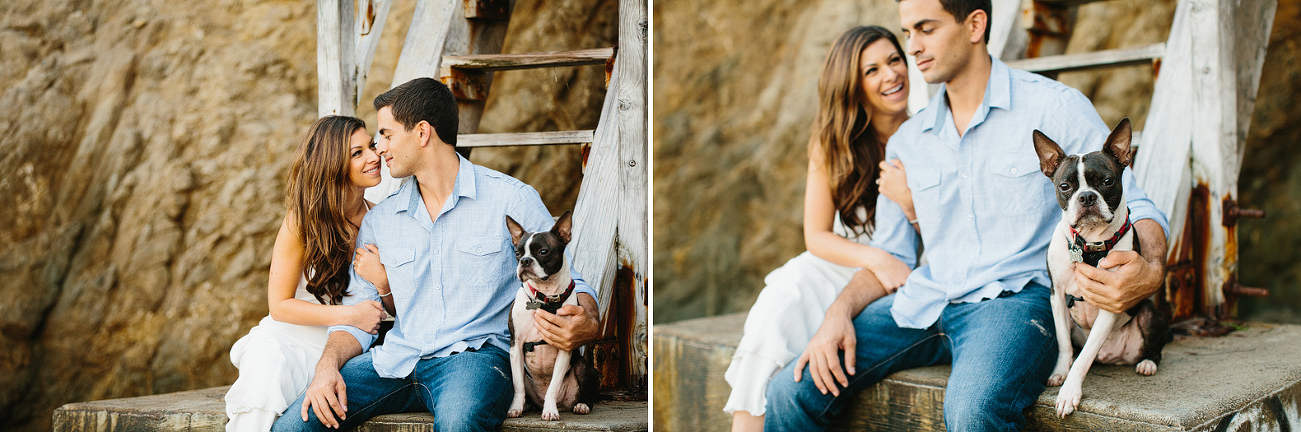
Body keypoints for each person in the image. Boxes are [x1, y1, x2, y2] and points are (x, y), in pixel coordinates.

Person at [763, 0, 1171, 430]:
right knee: (788, 392)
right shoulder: (908, 140)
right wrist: (838, 312)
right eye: (907, 34)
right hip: (925, 300)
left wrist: (1151, 268)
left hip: (1014, 304)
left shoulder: (1055, 107)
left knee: (973, 411)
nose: (913, 48)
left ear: (975, 24)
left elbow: (1136, 203)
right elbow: (891, 256)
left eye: (925, 29)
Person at [271, 77, 603, 432]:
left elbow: (567, 274)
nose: (379, 148)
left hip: (475, 359)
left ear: (422, 132)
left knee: (460, 423)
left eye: (386, 134)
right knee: (294, 426)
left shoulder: (511, 199)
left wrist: (589, 318)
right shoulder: (381, 221)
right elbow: (358, 316)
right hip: (396, 359)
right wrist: (327, 367)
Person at [725, 25, 919, 432]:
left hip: (897, 273)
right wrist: (877, 258)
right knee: (773, 317)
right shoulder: (834, 141)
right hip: (834, 262)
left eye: (894, 60)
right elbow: (816, 236)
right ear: (853, 84)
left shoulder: (927, 134)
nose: (891, 75)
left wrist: (908, 203)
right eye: (872, 70)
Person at [226, 115, 393, 432]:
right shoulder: (301, 222)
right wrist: (350, 314)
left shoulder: (382, 220)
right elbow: (279, 306)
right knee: (264, 385)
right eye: (357, 153)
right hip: (288, 340)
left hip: (343, 346)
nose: (374, 156)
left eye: (371, 145)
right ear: (333, 164)